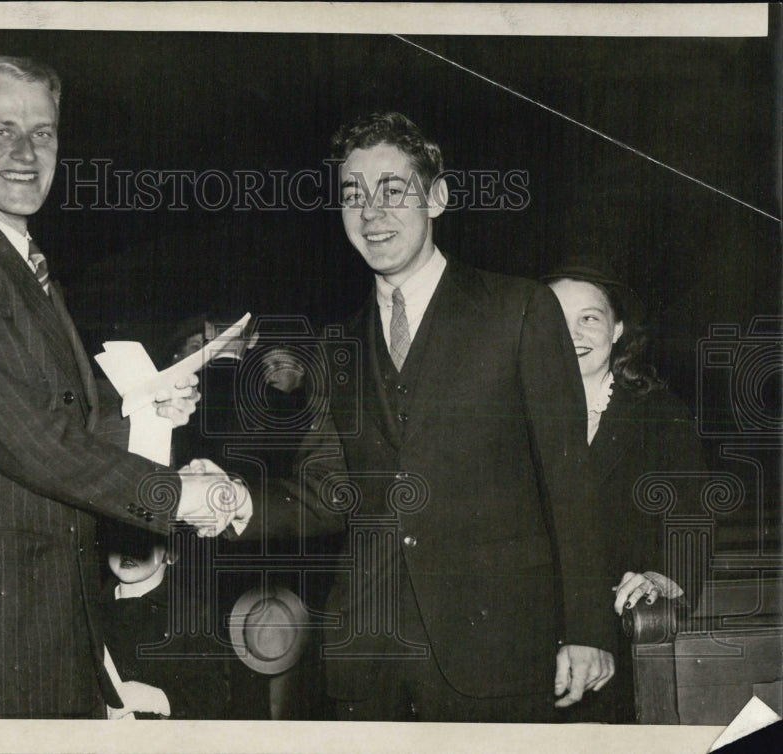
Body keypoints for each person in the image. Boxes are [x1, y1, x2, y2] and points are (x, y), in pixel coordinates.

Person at [207, 112, 616, 721]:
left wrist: (588, 626)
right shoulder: (335, 345)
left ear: (439, 197)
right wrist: (229, 499)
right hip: (369, 662)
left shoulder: (519, 308)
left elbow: (569, 480)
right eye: (353, 195)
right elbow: (326, 494)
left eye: (393, 190)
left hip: (497, 652)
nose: (371, 212)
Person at [0, 56, 235, 718]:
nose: (25, 152)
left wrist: (138, 412)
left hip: (48, 617)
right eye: (1, 131)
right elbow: (32, 444)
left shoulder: (22, 268)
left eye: (42, 132)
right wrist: (177, 495)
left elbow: (49, 421)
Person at [543, 255, 707, 723]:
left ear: (616, 329)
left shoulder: (658, 413)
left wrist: (662, 577)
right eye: (556, 320)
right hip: (530, 644)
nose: (571, 335)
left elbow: (692, 518)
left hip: (623, 641)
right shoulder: (510, 411)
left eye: (589, 319)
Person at [93, 521, 228, 720]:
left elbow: (214, 695)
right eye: (117, 539)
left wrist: (155, 699)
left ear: (171, 554)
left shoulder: (191, 615)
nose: (127, 550)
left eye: (141, 541)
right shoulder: (87, 604)